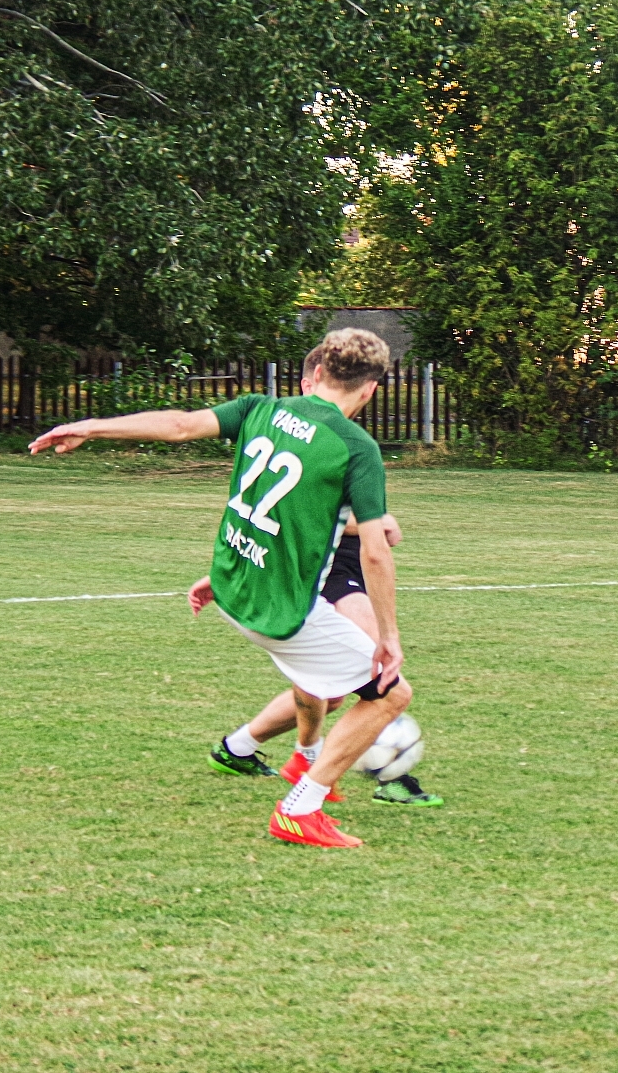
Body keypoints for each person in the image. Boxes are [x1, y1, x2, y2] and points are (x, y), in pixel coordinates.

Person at [30, 328, 413, 848]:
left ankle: (282, 754)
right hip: (279, 612)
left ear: (319, 371)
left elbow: (180, 425)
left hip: (233, 590)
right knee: (391, 693)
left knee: (333, 683)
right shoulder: (355, 447)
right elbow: (375, 550)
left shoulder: (259, 408)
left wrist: (89, 426)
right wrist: (389, 636)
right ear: (370, 390)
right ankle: (301, 807)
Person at [209, 350, 441, 807]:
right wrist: (372, 524)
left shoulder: (339, 438)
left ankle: (244, 747)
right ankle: (385, 773)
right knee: (377, 675)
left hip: (336, 561)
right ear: (310, 381)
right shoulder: (299, 429)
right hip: (331, 567)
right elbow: (294, 513)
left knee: (334, 688)